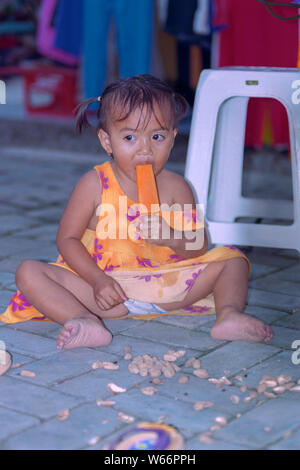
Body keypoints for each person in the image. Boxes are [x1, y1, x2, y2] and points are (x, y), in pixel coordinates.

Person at [0, 74, 273, 349]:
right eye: (130, 137)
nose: (145, 149)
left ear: (173, 138)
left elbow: (199, 245)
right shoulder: (94, 184)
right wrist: (98, 281)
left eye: (157, 136)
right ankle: (84, 320)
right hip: (104, 291)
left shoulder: (178, 187)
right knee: (29, 271)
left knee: (234, 260)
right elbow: (67, 240)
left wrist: (172, 237)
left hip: (167, 286)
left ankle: (229, 315)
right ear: (107, 142)